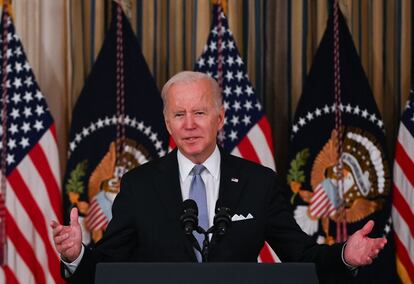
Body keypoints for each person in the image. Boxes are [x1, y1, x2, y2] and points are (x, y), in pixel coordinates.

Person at [51, 71, 387, 283]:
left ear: (220, 118)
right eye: (179, 115)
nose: (190, 124)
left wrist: (345, 255)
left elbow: (301, 257)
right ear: (168, 124)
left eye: (200, 112)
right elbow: (107, 270)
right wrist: (76, 254)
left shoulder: (259, 182)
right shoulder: (139, 185)